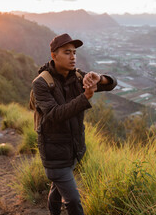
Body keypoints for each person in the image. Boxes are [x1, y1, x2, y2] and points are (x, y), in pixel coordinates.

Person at [32, 33, 117, 215]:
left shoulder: (77, 76)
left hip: (73, 150)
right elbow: (55, 114)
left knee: (58, 189)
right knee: (73, 201)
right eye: (67, 52)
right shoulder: (41, 84)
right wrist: (85, 97)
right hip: (54, 154)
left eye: (74, 53)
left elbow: (111, 85)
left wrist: (99, 78)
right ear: (54, 56)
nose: (73, 57)